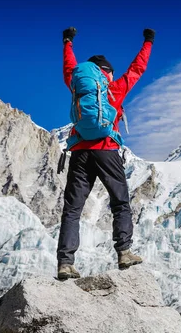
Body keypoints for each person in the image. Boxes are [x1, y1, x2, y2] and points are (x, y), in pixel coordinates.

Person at [56, 26, 155, 279]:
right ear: (107, 74)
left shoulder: (77, 84)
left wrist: (68, 42)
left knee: (72, 209)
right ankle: (124, 253)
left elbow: (69, 67)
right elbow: (137, 69)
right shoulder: (115, 89)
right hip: (107, 150)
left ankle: (65, 263)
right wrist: (148, 42)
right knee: (120, 202)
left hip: (80, 152)